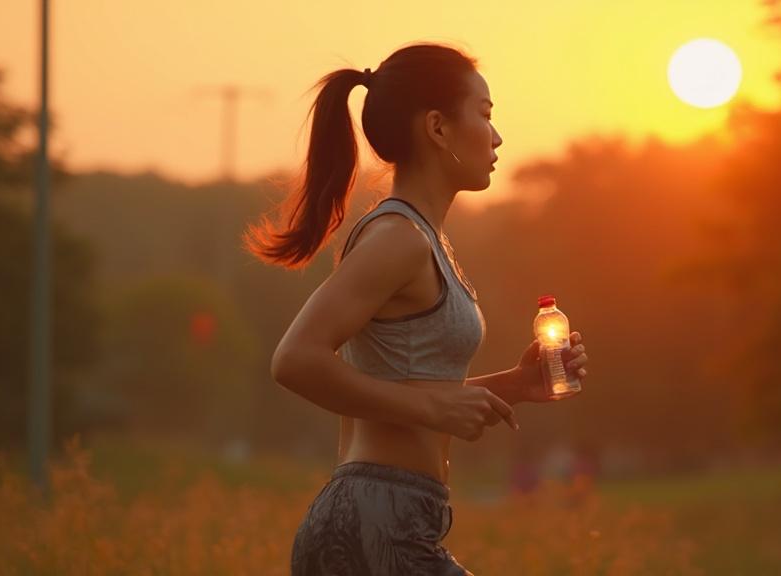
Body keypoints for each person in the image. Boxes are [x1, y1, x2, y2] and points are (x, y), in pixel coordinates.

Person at [247, 42, 590, 576]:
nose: (497, 136)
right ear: (437, 128)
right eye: (485, 114)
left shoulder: (420, 239)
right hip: (374, 524)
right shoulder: (397, 239)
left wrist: (513, 386)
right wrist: (435, 409)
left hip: (392, 518)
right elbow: (294, 359)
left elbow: (403, 386)